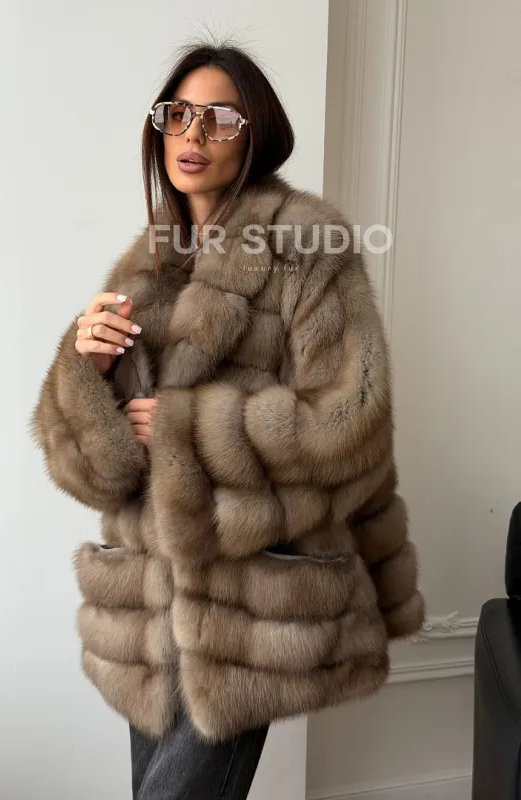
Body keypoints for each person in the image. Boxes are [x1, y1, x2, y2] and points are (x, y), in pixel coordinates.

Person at [31, 40, 425, 800]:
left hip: (248, 607)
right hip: (146, 611)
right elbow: (94, 471)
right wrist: (83, 369)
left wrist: (186, 431)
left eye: (219, 118)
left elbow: (353, 422)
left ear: (255, 135)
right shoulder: (144, 266)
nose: (193, 133)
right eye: (177, 114)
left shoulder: (307, 244)